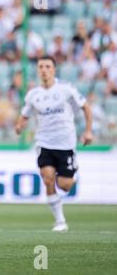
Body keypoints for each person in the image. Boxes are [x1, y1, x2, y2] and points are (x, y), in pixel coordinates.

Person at [15, 55, 93, 232]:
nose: (44, 70)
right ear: (37, 70)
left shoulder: (66, 89)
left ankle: (72, 169)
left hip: (66, 144)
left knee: (65, 185)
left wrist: (88, 131)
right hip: (44, 143)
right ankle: (60, 221)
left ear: (54, 70)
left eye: (48, 66)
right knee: (48, 178)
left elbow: (86, 107)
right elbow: (25, 115)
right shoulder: (33, 94)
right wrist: (20, 125)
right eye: (41, 66)